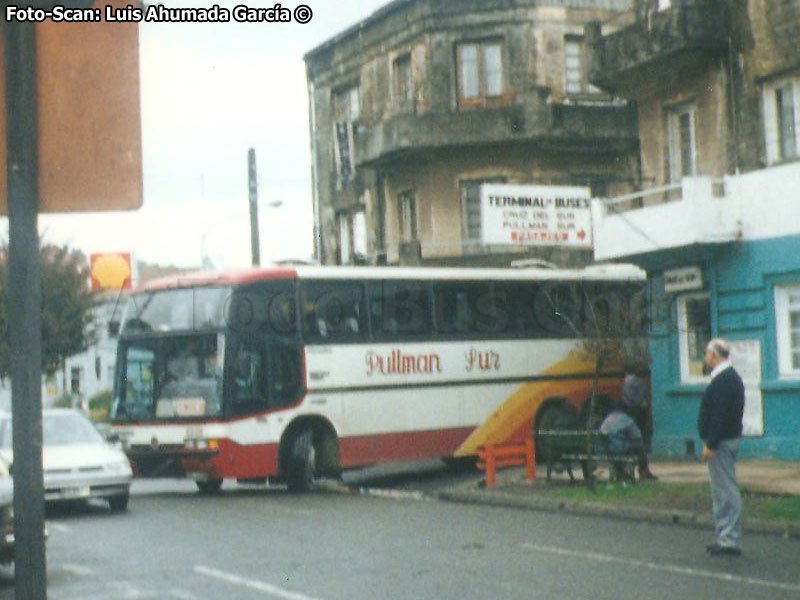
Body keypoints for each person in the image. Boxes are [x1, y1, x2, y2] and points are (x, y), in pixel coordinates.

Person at [698, 338, 745, 557]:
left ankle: (729, 539)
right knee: (721, 490)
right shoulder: (726, 378)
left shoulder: (724, 380)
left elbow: (720, 415)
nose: (705, 357)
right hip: (725, 439)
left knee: (724, 490)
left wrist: (711, 443)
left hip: (722, 442)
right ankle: (725, 536)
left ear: (715, 355)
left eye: (707, 353)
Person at [620, 360, 658, 480]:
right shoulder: (640, 383)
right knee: (641, 442)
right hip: (639, 415)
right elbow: (642, 400)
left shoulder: (625, 382)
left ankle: (634, 469)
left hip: (629, 414)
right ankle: (644, 470)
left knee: (632, 441)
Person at [598, 409, 647, 481]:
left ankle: (620, 472)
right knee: (640, 447)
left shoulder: (608, 418)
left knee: (620, 447)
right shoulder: (627, 419)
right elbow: (637, 437)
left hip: (606, 449)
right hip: (619, 448)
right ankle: (643, 472)